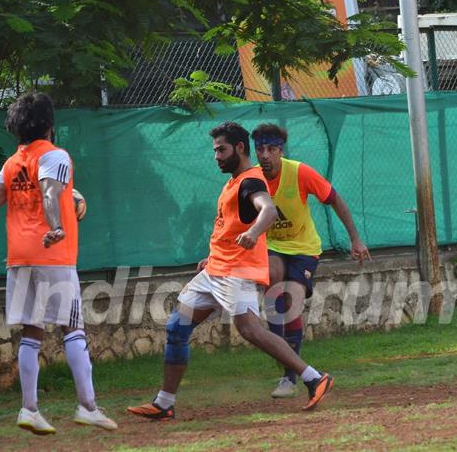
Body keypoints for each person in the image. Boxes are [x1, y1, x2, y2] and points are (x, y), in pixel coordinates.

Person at [126, 122, 333, 420]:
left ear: (239, 148)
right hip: (215, 270)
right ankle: (164, 402)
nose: (216, 157)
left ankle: (314, 377)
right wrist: (210, 258)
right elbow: (228, 227)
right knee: (176, 327)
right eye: (214, 151)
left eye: (221, 150)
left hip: (235, 272)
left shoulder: (250, 181)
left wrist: (253, 234)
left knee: (250, 330)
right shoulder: (234, 182)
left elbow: (269, 211)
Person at [0, 93, 117, 434]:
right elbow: (50, 192)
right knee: (73, 329)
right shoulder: (55, 155)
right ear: (51, 126)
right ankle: (88, 406)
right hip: (52, 255)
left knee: (31, 333)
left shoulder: (11, 164)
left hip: (19, 258)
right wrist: (56, 226)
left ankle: (29, 409)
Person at [251, 123, 371, 399]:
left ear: (280, 151)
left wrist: (355, 239)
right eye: (260, 149)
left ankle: (289, 377)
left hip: (304, 247)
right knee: (274, 290)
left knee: (291, 303)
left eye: (271, 149)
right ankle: (288, 366)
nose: (265, 155)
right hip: (271, 246)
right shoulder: (251, 178)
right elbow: (231, 216)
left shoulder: (300, 172)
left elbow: (335, 200)